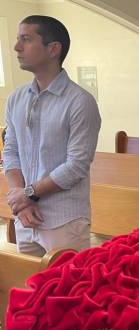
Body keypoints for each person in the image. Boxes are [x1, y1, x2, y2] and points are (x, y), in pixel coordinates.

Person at [3, 15, 101, 256]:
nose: (16, 47)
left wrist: (28, 194)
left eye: (26, 39)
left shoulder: (79, 101)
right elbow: (11, 151)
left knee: (65, 281)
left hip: (63, 219)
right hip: (25, 218)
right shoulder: (16, 98)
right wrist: (20, 199)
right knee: (27, 281)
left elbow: (76, 166)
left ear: (53, 49)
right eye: (18, 39)